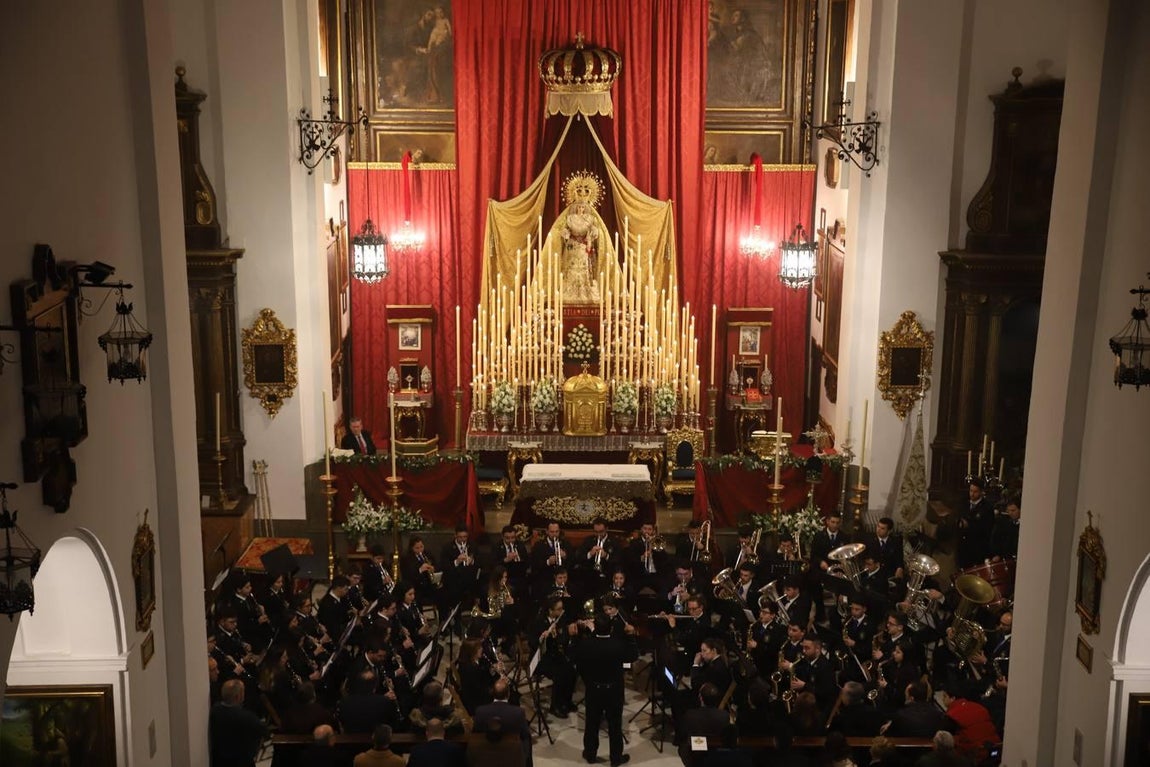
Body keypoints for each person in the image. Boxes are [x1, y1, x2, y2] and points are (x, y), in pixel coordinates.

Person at [573, 616, 639, 766]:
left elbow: (574, 655)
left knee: (592, 723)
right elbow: (633, 655)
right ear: (611, 629)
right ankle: (615, 758)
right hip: (613, 690)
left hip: (594, 689)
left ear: (595, 628)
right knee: (615, 726)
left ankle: (590, 754)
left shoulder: (587, 644)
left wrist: (577, 637)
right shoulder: (618, 644)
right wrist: (631, 637)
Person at [208, 679, 267, 767]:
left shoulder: (215, 711)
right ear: (238, 696)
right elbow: (263, 731)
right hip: (242, 762)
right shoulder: (247, 718)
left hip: (219, 762)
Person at [474, 678, 532, 767]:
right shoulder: (518, 712)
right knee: (527, 737)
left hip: (486, 752)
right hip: (512, 754)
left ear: (492, 693)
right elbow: (525, 736)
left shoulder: (480, 711)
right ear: (508, 694)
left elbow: (476, 734)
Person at [678, 682, 729, 767]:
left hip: (695, 756)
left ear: (701, 698)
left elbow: (683, 734)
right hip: (716, 755)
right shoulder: (724, 716)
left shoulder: (690, 715)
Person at [882, 680, 956, 738]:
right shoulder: (938, 714)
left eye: (906, 695)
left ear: (911, 698)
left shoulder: (901, 714)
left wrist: (889, 725)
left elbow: (889, 733)